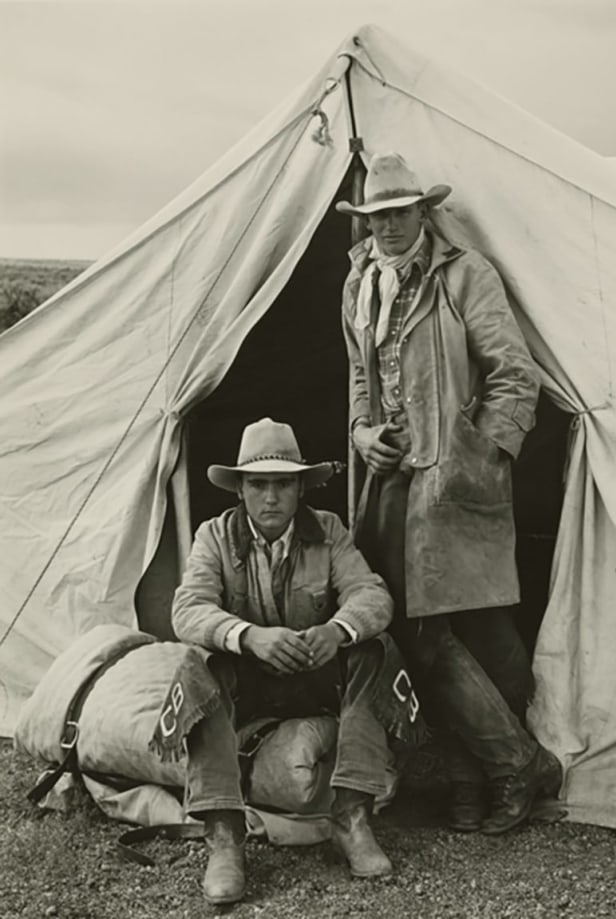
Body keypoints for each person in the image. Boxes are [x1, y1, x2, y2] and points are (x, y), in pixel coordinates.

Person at [338, 152, 561, 834]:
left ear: (423, 212)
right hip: (390, 487)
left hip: (456, 483)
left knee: (484, 631)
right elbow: (358, 374)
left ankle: (496, 774)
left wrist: (479, 452)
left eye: (401, 213)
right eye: (378, 217)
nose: (390, 228)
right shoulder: (359, 286)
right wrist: (362, 431)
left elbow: (514, 375)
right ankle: (500, 769)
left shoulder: (465, 274)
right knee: (414, 630)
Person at [172, 417, 419, 905]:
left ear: (301, 488)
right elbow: (187, 608)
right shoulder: (213, 536)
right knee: (197, 661)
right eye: (258, 485)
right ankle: (224, 836)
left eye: (283, 484)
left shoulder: (329, 531)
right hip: (247, 687)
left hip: (314, 680)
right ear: (239, 489)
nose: (270, 498)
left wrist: (337, 629)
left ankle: (351, 816)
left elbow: (371, 595)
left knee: (375, 647)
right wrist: (248, 637)